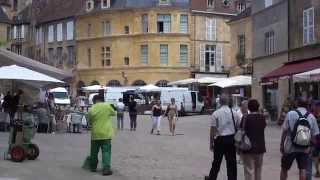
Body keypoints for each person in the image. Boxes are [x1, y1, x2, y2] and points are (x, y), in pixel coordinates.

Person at [280, 97, 320, 180]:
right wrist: (312, 148)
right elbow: (314, 135)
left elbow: (284, 131)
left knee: (284, 169)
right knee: (302, 170)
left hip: (290, 146)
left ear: (297, 103)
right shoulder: (311, 116)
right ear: (307, 105)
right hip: (304, 148)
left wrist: (281, 144)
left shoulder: (290, 114)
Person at [205, 95, 240, 180]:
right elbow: (238, 128)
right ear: (228, 102)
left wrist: (211, 144)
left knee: (216, 162)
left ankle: (212, 178)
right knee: (231, 163)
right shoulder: (234, 113)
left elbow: (212, 130)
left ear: (219, 102)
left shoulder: (216, 113)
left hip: (219, 140)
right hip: (231, 140)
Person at [88, 95, 116, 176]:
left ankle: (93, 167)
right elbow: (114, 113)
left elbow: (89, 121)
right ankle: (106, 169)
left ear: (95, 100)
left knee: (94, 151)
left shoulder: (91, 108)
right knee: (106, 151)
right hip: (106, 133)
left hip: (95, 133)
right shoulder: (107, 106)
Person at [240, 99, 266, 180]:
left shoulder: (245, 118)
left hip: (248, 148)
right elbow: (263, 127)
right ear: (258, 107)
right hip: (260, 147)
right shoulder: (262, 117)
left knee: (248, 171)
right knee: (258, 170)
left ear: (249, 108)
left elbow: (241, 130)